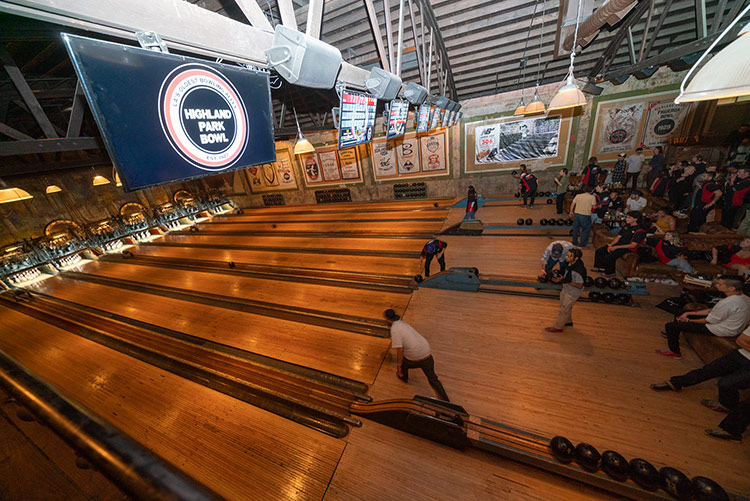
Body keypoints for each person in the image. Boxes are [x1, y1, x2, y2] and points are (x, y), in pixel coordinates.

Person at [651, 323, 750, 416]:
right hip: (742, 354)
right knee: (708, 370)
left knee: (725, 383)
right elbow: (740, 340)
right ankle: (675, 383)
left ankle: (726, 405)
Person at [655, 275, 750, 359]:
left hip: (719, 329)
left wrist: (688, 320)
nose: (717, 286)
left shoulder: (728, 303)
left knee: (670, 326)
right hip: (729, 325)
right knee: (681, 312)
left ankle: (675, 352)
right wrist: (689, 314)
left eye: (720, 285)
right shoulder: (745, 297)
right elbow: (711, 310)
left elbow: (708, 321)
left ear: (731, 288)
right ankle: (673, 333)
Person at [384, 309, 450, 402]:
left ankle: (403, 377)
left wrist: (398, 367)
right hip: (427, 354)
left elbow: (400, 350)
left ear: (387, 319)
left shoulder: (394, 329)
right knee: (433, 380)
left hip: (416, 357)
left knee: (402, 362)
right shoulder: (403, 323)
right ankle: (446, 401)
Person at [593, 211, 646, 277]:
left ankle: (610, 273)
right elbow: (618, 236)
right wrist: (611, 245)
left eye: (629, 218)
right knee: (599, 251)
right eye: (626, 217)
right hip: (619, 244)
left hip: (628, 248)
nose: (627, 219)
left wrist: (616, 247)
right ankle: (601, 268)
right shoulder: (627, 226)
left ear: (635, 219)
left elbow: (633, 245)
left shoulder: (639, 230)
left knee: (609, 257)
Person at [545, 248, 586, 333]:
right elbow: (565, 275)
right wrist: (561, 279)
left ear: (576, 258)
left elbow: (579, 285)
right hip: (566, 288)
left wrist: (566, 281)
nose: (566, 257)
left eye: (569, 256)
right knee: (565, 306)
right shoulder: (568, 263)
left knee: (564, 309)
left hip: (573, 292)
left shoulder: (578, 270)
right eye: (567, 255)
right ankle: (568, 321)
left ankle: (558, 327)